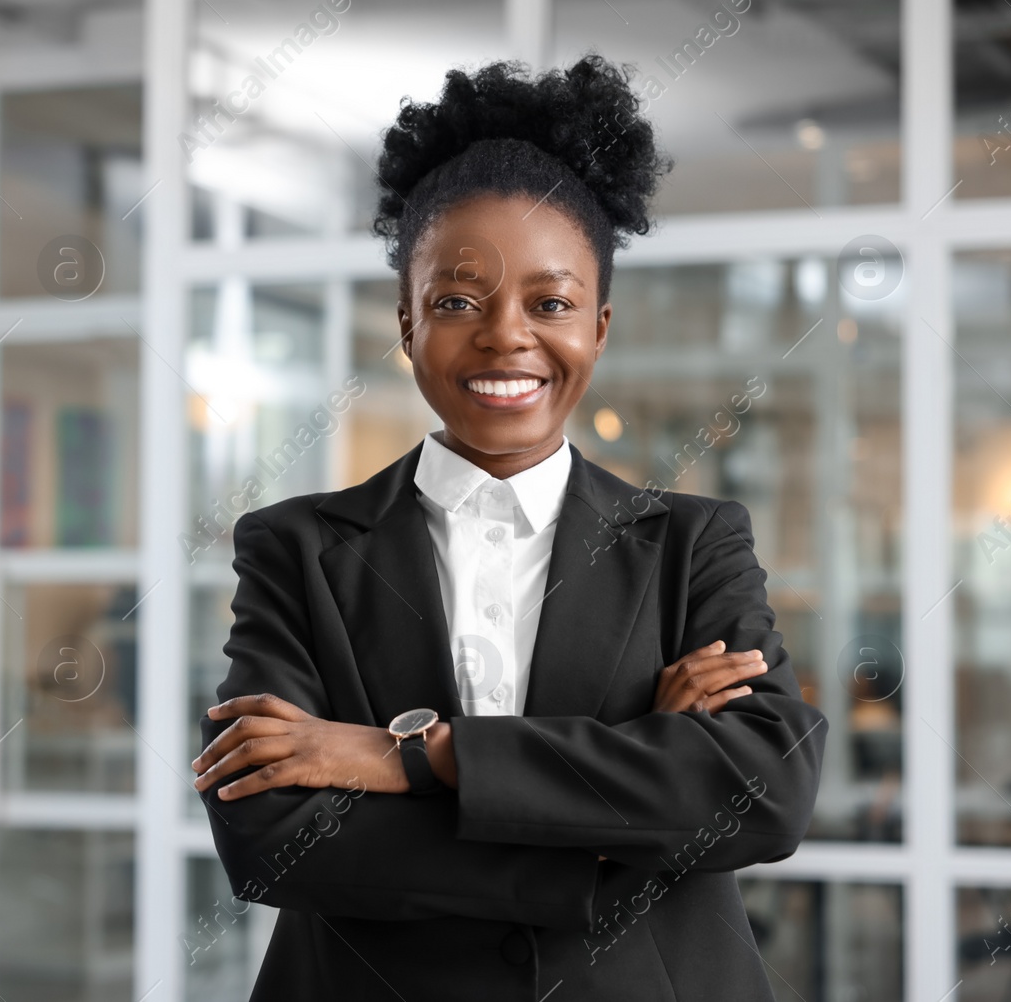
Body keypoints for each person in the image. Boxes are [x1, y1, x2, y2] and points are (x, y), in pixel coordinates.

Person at [191, 56, 826, 1001]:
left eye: (551, 302)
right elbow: (274, 838)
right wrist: (620, 824)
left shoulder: (694, 546)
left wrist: (405, 756)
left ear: (599, 326)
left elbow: (763, 790)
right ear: (406, 323)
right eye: (455, 302)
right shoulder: (294, 549)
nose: (504, 335)